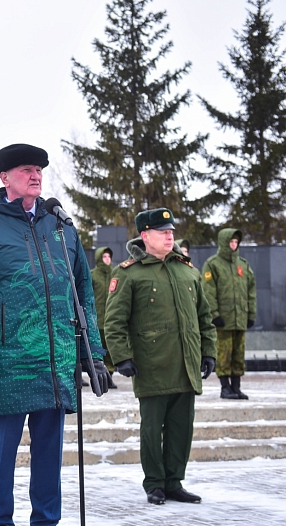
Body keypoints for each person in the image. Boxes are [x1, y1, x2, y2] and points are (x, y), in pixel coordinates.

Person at [0, 143, 110, 526]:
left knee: (49, 449)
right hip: (8, 360)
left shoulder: (62, 227)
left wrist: (92, 353)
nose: (36, 175)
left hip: (57, 358)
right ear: (5, 178)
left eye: (39, 169)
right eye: (26, 169)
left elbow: (83, 295)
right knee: (3, 449)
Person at [104, 208, 216, 506]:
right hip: (151, 364)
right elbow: (114, 321)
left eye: (171, 231)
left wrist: (208, 352)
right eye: (162, 232)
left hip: (186, 364)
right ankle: (154, 483)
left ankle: (174, 481)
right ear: (145, 235)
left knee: (182, 427)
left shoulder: (187, 270)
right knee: (153, 429)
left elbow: (204, 317)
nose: (170, 236)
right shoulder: (128, 273)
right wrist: (122, 357)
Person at [201, 228, 256, 400]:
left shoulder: (243, 265)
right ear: (224, 242)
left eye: (236, 242)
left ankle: (236, 388)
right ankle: (225, 387)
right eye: (231, 242)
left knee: (238, 354)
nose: (233, 245)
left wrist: (251, 315)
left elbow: (251, 291)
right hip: (223, 320)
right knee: (224, 354)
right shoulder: (213, 264)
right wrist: (214, 314)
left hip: (240, 318)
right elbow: (208, 291)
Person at [90, 247, 119, 390]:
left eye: (109, 256)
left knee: (110, 350)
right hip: (96, 320)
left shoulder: (116, 275)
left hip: (111, 320)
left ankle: (110, 375)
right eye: (104, 256)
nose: (107, 259)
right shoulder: (93, 275)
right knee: (97, 350)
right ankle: (98, 377)